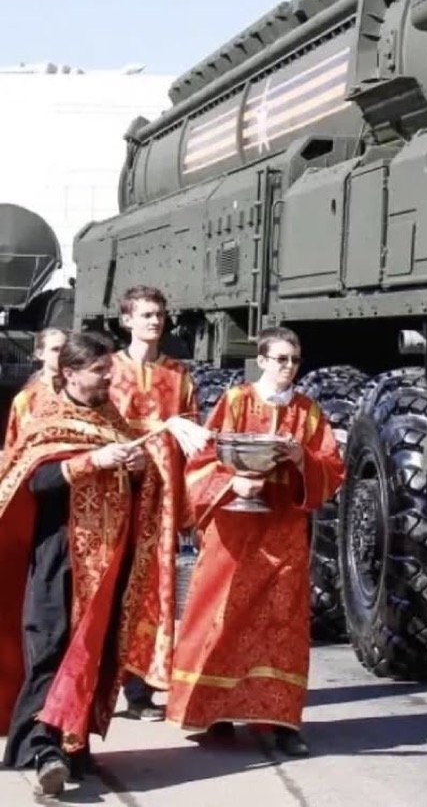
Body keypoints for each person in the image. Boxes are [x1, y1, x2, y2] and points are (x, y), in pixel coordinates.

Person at [0, 332, 184, 798]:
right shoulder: (48, 417)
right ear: (71, 373)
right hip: (59, 555)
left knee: (95, 652)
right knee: (51, 647)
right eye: (100, 371)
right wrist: (91, 461)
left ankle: (73, 744)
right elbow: (34, 480)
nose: (109, 378)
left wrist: (139, 466)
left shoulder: (111, 416)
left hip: (108, 562)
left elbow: (140, 479)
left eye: (110, 369)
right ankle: (45, 749)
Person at [165, 327, 344, 756]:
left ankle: (280, 720)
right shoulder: (236, 402)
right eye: (280, 359)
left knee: (280, 624)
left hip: (282, 529)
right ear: (261, 360)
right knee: (222, 614)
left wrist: (304, 459)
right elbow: (205, 459)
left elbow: (333, 468)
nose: (288, 368)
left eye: (295, 360)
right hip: (234, 530)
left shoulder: (308, 411)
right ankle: (215, 710)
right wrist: (233, 484)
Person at [108, 285, 212, 721]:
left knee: (153, 586)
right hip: (114, 490)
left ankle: (138, 687)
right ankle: (97, 682)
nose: (155, 321)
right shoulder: (108, 369)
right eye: (146, 314)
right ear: (127, 320)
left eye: (160, 315)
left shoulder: (178, 375)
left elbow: (192, 443)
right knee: (109, 581)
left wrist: (191, 505)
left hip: (161, 498)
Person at [3, 327, 66, 447]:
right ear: (40, 354)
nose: (61, 354)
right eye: (55, 349)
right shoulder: (26, 398)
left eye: (65, 349)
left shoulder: (82, 391)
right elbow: (13, 443)